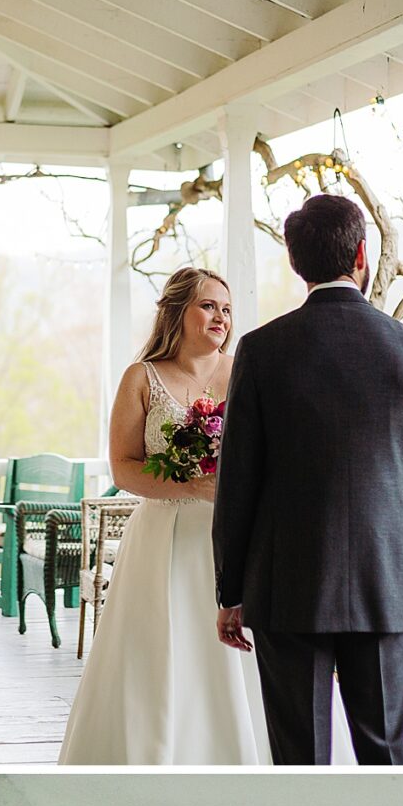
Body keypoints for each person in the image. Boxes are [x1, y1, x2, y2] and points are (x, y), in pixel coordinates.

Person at [211, 194, 403, 765]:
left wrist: (231, 592)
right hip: (381, 579)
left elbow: (237, 481)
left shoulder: (261, 350)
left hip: (286, 583)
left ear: (295, 263)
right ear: (362, 255)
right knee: (386, 752)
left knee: (300, 757)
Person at [59, 267, 271, 766]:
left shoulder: (245, 372)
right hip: (164, 539)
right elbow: (124, 468)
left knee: (230, 658)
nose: (220, 316)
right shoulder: (142, 377)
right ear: (178, 311)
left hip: (231, 536)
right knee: (157, 651)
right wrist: (191, 483)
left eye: (226, 308)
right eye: (207, 305)